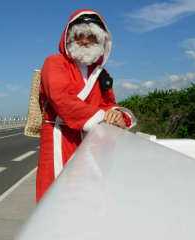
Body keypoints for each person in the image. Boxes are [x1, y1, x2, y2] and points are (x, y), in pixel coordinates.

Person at [36, 9, 136, 202]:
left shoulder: (101, 73)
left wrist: (117, 116)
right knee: (56, 196)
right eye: (79, 35)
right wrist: (101, 117)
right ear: (70, 37)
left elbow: (108, 104)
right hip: (60, 136)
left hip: (91, 140)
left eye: (91, 36)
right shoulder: (54, 63)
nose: (84, 40)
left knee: (88, 196)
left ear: (100, 41)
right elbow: (61, 98)